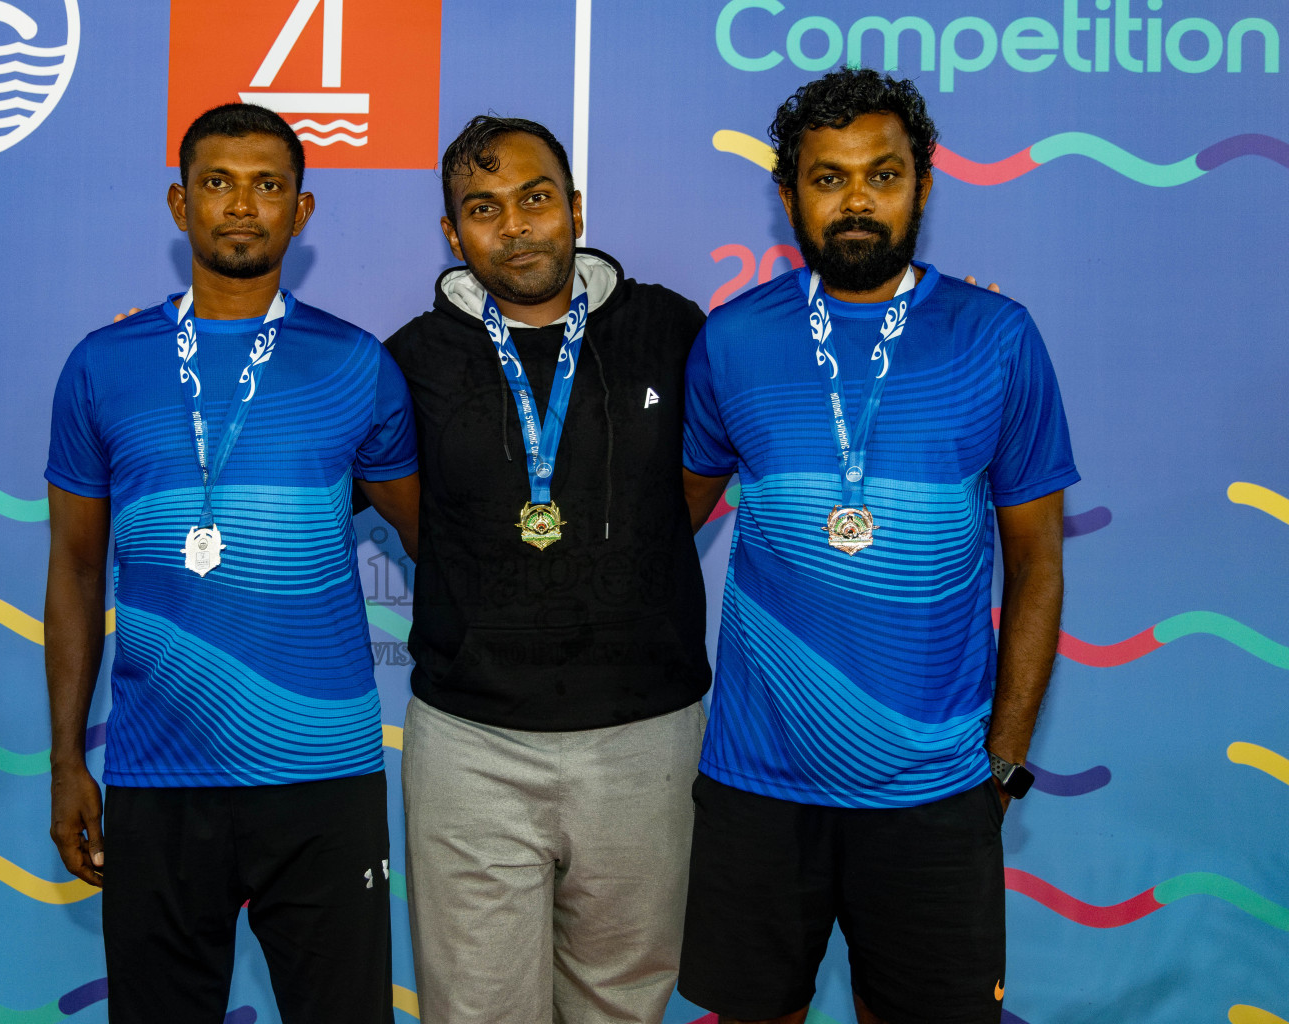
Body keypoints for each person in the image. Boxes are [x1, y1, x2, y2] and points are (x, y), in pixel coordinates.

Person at [677, 68, 1077, 1024]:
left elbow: (1038, 567)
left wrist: (1003, 764)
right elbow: (664, 535)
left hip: (937, 793)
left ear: (923, 186)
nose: (856, 200)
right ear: (789, 198)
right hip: (757, 787)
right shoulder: (730, 341)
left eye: (883, 174)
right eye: (827, 178)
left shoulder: (998, 338)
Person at [43, 102, 418, 1024]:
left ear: (304, 210)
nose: (242, 206)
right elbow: (76, 573)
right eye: (218, 183)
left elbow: (438, 545)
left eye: (268, 186)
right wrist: (65, 759)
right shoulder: (101, 366)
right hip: (158, 774)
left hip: (322, 777)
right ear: (180, 204)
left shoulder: (358, 364)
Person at [383, 116, 711, 1024]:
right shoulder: (410, 360)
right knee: (478, 1013)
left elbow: (699, 482)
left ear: (574, 208)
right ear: (454, 234)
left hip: (645, 736)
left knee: (621, 1008)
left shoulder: (672, 331)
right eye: (483, 209)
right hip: (470, 746)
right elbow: (418, 521)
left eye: (535, 200)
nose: (516, 226)